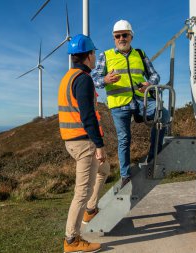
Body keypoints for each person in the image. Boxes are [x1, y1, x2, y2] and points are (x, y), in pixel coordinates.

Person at [91, 20, 168, 189]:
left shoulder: (140, 54)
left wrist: (150, 84)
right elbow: (94, 78)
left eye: (124, 35)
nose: (121, 38)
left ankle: (153, 156)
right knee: (124, 139)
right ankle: (125, 175)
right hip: (119, 104)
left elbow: (154, 75)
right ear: (114, 38)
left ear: (131, 36)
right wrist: (105, 79)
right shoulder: (106, 55)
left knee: (163, 115)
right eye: (117, 36)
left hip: (142, 100)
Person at [59, 34, 109, 253]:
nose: (95, 56)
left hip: (72, 141)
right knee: (82, 191)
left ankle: (91, 209)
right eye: (93, 53)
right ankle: (72, 239)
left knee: (104, 170)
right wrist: (99, 145)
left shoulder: (67, 77)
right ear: (89, 55)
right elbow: (87, 116)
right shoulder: (83, 79)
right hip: (84, 143)